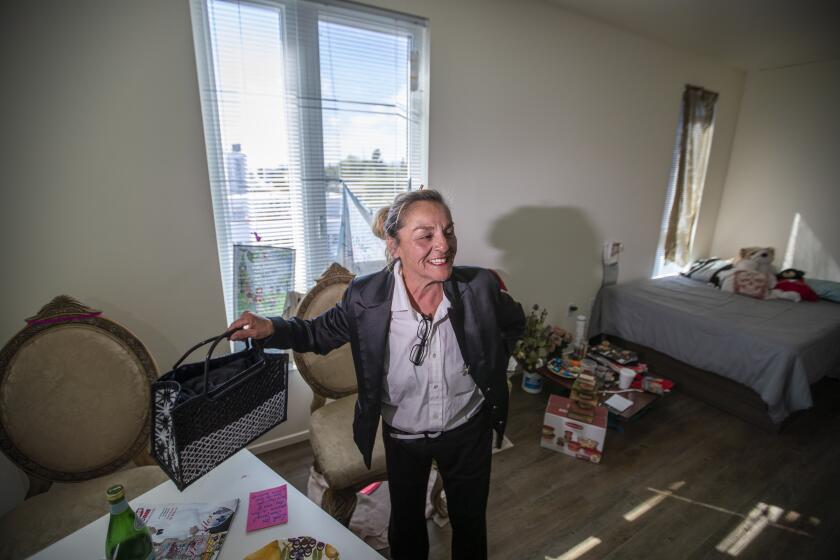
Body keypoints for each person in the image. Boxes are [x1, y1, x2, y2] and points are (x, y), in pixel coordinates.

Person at [228, 189, 526, 559]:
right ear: (394, 244)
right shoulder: (365, 297)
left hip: (468, 430)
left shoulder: (479, 287)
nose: (443, 245)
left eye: (448, 231)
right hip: (405, 436)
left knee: (470, 524)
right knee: (406, 525)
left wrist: (489, 362)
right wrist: (272, 328)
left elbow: (515, 323)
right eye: (426, 235)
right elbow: (315, 334)